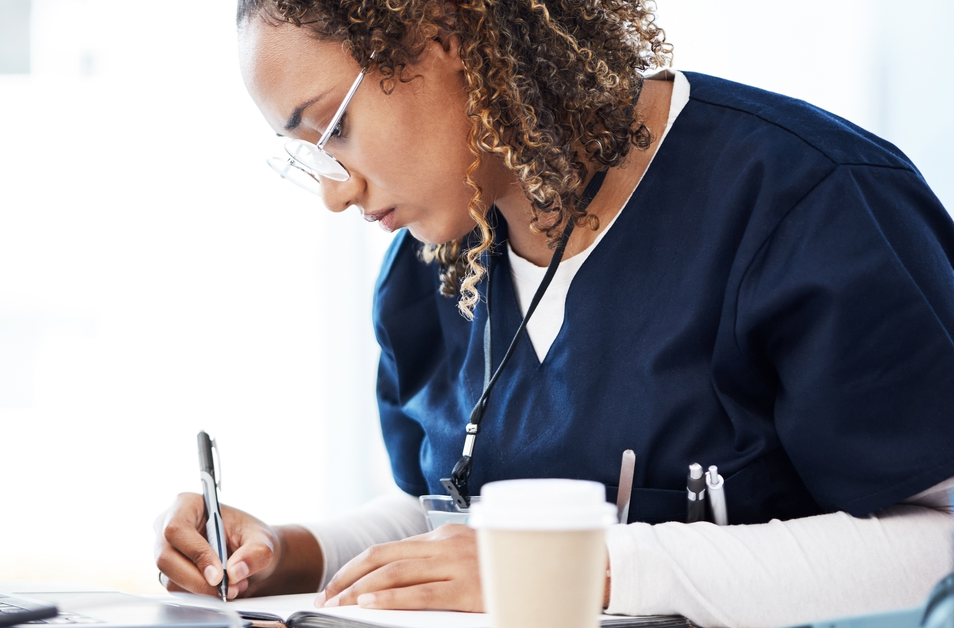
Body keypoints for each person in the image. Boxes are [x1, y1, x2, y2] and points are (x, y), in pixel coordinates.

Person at [154, 2, 954, 627]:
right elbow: (451, 512)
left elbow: (939, 545)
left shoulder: (808, 204)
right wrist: (294, 552)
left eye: (333, 128)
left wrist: (580, 568)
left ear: (447, 31)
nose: (335, 190)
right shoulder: (432, 262)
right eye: (309, 155)